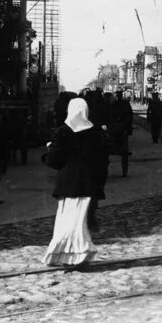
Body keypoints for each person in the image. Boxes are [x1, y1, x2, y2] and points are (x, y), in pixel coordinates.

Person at [42, 97, 109, 266]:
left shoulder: (63, 132)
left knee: (66, 222)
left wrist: (49, 150)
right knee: (79, 223)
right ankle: (78, 255)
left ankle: (69, 255)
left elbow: (54, 161)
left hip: (67, 185)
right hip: (87, 185)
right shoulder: (96, 133)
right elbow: (102, 162)